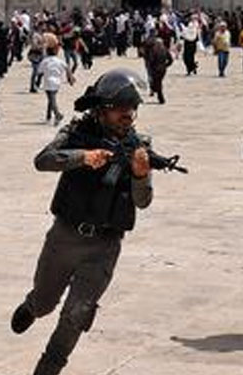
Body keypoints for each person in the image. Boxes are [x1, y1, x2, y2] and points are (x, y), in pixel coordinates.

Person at [10, 69, 154, 375]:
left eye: (132, 109)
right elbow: (43, 160)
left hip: (104, 246)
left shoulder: (139, 146)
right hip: (65, 237)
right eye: (120, 109)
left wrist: (141, 175)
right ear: (101, 110)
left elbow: (143, 200)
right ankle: (32, 306)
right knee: (47, 303)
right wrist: (82, 157)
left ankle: (49, 367)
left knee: (78, 313)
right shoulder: (75, 132)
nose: (127, 115)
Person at [39, 42, 74, 125]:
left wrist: (37, 81)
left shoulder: (45, 61)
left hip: (48, 82)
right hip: (57, 82)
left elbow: (40, 72)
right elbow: (67, 68)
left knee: (52, 99)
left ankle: (57, 114)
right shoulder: (59, 61)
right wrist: (70, 78)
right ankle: (48, 116)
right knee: (51, 99)